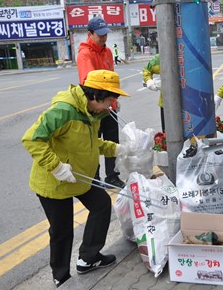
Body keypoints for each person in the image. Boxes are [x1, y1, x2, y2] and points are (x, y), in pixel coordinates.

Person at [22, 70, 131, 287]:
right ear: (95, 95)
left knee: (101, 206)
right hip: (54, 180)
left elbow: (91, 144)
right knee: (62, 230)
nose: (111, 105)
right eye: (109, 99)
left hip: (79, 176)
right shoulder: (63, 111)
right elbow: (32, 139)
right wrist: (56, 167)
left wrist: (120, 149)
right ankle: (61, 277)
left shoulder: (92, 114)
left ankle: (88, 258)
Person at [77, 16, 125, 188]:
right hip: (95, 106)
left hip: (109, 104)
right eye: (100, 34)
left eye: (105, 34)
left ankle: (112, 176)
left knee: (112, 141)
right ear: (90, 34)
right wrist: (103, 102)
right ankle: (95, 177)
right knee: (95, 143)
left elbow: (111, 77)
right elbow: (90, 83)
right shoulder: (85, 55)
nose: (104, 37)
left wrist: (114, 99)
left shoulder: (108, 52)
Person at [143, 54, 165, 132]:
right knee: (168, 134)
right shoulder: (161, 57)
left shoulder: (187, 53)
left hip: (189, 101)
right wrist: (149, 81)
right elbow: (147, 70)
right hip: (166, 102)